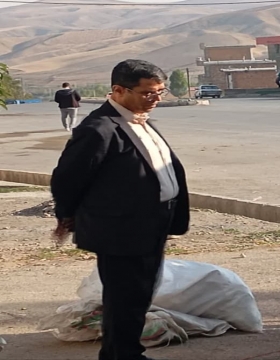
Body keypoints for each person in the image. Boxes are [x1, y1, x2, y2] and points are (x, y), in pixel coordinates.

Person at [50, 59, 190, 360]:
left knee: (138, 296)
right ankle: (121, 355)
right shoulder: (99, 129)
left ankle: (125, 352)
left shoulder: (140, 120)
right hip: (120, 231)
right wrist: (67, 215)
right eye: (148, 93)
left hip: (151, 225)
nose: (156, 100)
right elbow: (67, 177)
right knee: (124, 299)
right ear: (118, 90)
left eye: (160, 92)